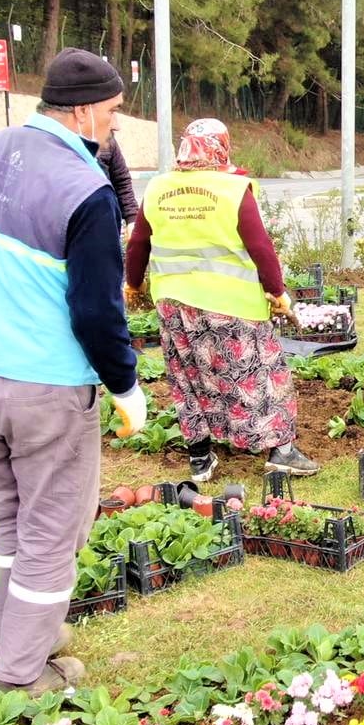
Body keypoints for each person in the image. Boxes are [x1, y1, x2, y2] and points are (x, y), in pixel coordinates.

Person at [0, 47, 148, 694]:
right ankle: (21, 679)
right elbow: (95, 312)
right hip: (45, 390)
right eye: (111, 114)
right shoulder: (86, 191)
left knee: (14, 519)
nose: (112, 128)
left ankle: (16, 639)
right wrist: (126, 386)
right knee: (52, 532)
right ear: (82, 112)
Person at [124, 117, 318, 481]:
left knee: (188, 376)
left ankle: (200, 457)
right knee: (261, 374)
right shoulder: (232, 189)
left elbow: (138, 244)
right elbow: (261, 248)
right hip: (233, 307)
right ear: (222, 147)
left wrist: (132, 286)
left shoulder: (159, 187)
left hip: (174, 305)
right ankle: (281, 450)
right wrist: (277, 293)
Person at [95, 121, 139, 228]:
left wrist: (132, 219)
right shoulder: (59, 145)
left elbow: (121, 181)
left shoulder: (109, 141)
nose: (117, 126)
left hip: (108, 225)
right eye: (110, 111)